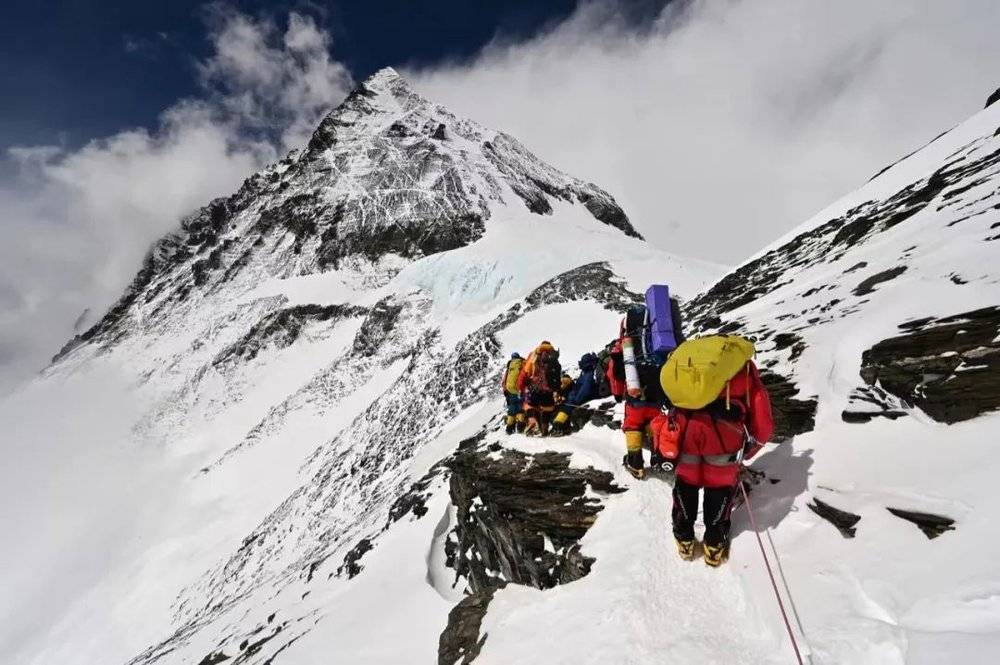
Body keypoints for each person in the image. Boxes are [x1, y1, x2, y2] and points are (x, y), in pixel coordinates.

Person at [669, 359, 774, 567]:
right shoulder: (743, 369)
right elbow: (764, 424)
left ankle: (685, 540)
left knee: (685, 486)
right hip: (725, 440)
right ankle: (714, 546)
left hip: (688, 436)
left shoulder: (690, 365)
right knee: (719, 491)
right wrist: (749, 451)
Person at [610, 297, 684, 479]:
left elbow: (617, 375)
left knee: (632, 426)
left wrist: (618, 394)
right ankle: (658, 458)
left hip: (635, 398)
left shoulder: (625, 347)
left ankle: (635, 464)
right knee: (655, 425)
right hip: (658, 397)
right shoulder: (659, 347)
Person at [518, 340, 561, 437]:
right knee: (546, 409)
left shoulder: (534, 355)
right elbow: (557, 376)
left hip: (535, 389)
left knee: (532, 407)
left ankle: (534, 424)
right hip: (549, 390)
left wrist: (521, 386)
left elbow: (525, 371)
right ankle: (544, 429)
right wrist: (557, 391)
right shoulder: (554, 357)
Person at [551, 352, 599, 436]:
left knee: (566, 408)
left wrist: (575, 400)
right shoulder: (585, 373)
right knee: (563, 407)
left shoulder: (588, 375)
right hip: (575, 398)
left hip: (580, 399)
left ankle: (558, 426)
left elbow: (585, 390)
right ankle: (559, 426)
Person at [501, 352, 525, 434]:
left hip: (510, 392)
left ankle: (509, 429)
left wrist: (505, 391)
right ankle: (520, 428)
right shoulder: (522, 365)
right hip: (520, 391)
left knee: (511, 410)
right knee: (520, 409)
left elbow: (504, 381)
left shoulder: (509, 368)